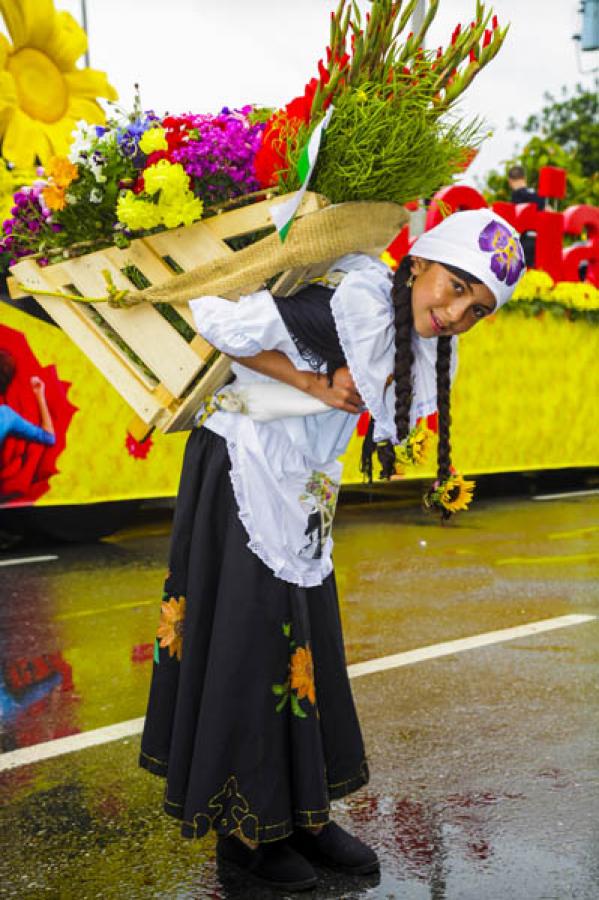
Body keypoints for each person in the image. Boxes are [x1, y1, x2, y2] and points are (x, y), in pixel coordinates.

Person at [139, 209, 525, 892]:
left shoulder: (413, 334)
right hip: (241, 470)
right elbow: (214, 322)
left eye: (477, 308)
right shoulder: (343, 303)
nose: (456, 310)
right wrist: (312, 383)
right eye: (456, 284)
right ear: (419, 264)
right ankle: (245, 835)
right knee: (247, 642)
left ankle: (303, 815)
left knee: (303, 644)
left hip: (301, 489)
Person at [0, 350, 56, 449]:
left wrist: (40, 395)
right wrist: (40, 395)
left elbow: (49, 438)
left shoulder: (6, 415)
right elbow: (49, 437)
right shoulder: (6, 415)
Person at [507, 164, 546, 268]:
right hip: (540, 241)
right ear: (524, 178)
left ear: (510, 181)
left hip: (523, 241)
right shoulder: (539, 195)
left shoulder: (516, 195)